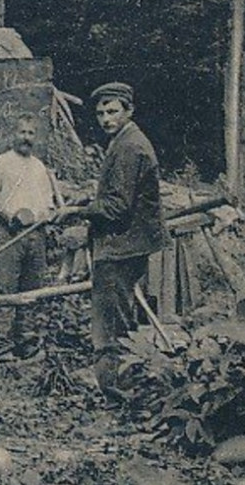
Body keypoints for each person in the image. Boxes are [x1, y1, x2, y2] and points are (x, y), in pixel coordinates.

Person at [55, 82, 166, 396]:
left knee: (108, 325)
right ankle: (126, 386)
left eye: (113, 111)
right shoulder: (123, 141)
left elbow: (117, 207)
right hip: (123, 244)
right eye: (101, 112)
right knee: (120, 317)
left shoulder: (130, 146)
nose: (105, 118)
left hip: (121, 246)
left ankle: (115, 391)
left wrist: (77, 212)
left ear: (129, 111)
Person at [0, 113, 63, 356]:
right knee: (5, 291)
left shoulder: (39, 167)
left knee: (32, 291)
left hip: (36, 236)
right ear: (12, 134)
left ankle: (26, 345)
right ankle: (3, 347)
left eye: (30, 133)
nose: (26, 137)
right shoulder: (1, 164)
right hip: (8, 235)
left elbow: (47, 204)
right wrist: (10, 216)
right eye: (22, 132)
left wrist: (49, 214)